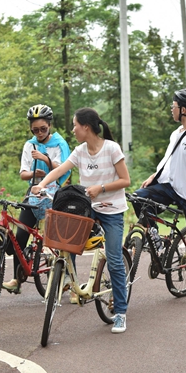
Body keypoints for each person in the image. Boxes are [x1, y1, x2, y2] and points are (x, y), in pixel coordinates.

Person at [31, 107, 131, 333]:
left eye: (75, 125)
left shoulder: (112, 149)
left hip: (113, 210)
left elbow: (126, 180)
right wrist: (42, 184)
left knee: (114, 260)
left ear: (86, 127)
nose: (73, 129)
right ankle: (70, 280)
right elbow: (60, 171)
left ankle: (120, 313)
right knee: (66, 237)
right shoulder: (80, 151)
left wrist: (101, 188)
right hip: (89, 209)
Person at [132, 89, 186, 305]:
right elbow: (169, 160)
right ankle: (157, 241)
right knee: (139, 198)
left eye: (174, 106)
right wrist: (154, 176)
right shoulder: (176, 133)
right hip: (171, 187)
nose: (171, 109)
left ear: (184, 110)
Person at [2, 104, 71, 293]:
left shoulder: (59, 143)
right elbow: (23, 173)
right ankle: (17, 279)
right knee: (21, 235)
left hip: (55, 194)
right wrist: (35, 172)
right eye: (35, 130)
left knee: (62, 239)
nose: (39, 133)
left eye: (43, 129)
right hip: (34, 194)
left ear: (49, 125)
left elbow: (65, 169)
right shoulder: (29, 144)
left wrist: (46, 159)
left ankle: (69, 279)